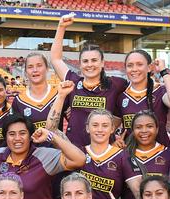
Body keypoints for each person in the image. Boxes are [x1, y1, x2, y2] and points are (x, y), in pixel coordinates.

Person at [50, 14, 126, 150]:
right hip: (74, 149)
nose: (89, 65)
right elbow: (56, 59)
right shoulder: (73, 81)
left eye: (94, 60)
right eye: (85, 61)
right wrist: (61, 27)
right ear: (80, 64)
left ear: (102, 63)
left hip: (104, 151)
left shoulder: (116, 84)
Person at [0, 115, 86, 199]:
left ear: (30, 136)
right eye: (12, 134)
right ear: (5, 137)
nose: (17, 138)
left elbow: (79, 159)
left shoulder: (44, 156)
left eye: (22, 133)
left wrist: (50, 136)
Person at [116, 50, 170, 147]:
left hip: (160, 156)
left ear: (149, 67)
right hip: (131, 157)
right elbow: (112, 126)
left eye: (139, 64)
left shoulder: (160, 91)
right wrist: (116, 139)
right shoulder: (122, 97)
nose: (134, 69)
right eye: (130, 65)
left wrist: (163, 71)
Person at [122, 111, 170, 199]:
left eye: (149, 126)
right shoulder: (124, 156)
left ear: (157, 129)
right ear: (132, 130)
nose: (144, 131)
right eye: (139, 127)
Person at [11, 53, 60, 137]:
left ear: (47, 68)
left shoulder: (59, 94)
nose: (35, 70)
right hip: (32, 149)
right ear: (26, 71)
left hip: (57, 149)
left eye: (39, 65)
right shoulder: (19, 101)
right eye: (30, 67)